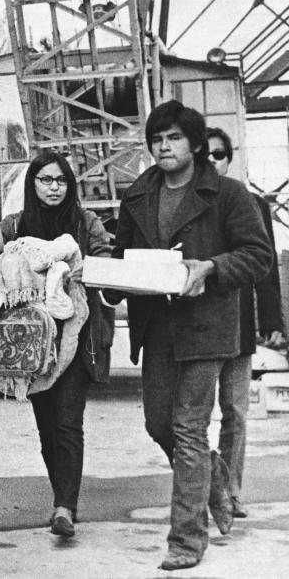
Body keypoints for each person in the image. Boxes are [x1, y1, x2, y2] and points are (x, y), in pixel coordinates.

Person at [110, 100, 271, 571]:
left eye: (174, 137)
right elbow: (122, 258)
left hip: (206, 327)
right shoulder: (138, 195)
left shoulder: (228, 194)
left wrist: (212, 267)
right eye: (157, 139)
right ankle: (216, 477)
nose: (164, 146)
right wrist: (104, 281)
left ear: (196, 144)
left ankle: (185, 539)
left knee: (187, 428)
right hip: (156, 326)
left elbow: (257, 254)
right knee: (159, 425)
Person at [0, 151, 113, 539]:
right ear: (32, 184)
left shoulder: (86, 223)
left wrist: (82, 267)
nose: (53, 187)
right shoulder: (14, 225)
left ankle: (65, 507)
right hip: (31, 343)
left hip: (77, 338)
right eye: (45, 180)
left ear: (70, 186)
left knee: (67, 422)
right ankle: (61, 498)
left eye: (60, 181)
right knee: (47, 426)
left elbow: (105, 261)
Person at [205, 127, 283, 518]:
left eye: (219, 154)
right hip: (198, 328)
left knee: (236, 411)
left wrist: (272, 319)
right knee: (192, 418)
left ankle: (232, 490)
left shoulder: (251, 202)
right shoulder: (186, 202)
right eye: (206, 154)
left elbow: (265, 265)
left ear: (228, 157)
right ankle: (208, 483)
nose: (213, 161)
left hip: (239, 326)